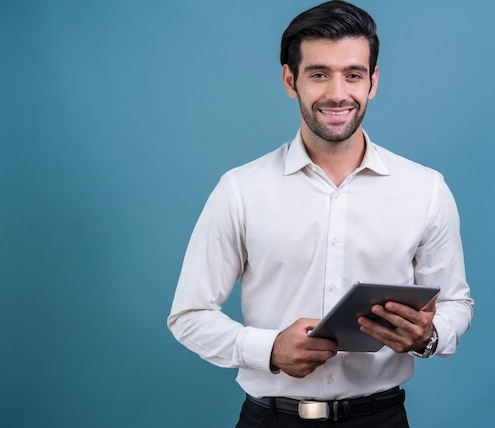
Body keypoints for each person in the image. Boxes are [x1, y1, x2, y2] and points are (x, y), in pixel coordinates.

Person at [168, 1, 473, 426]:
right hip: (270, 418)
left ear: (373, 81)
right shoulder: (240, 190)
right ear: (291, 81)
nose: (337, 93)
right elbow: (188, 316)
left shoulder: (426, 189)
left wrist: (428, 337)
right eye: (318, 74)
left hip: (381, 418)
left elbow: (456, 302)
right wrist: (269, 349)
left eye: (353, 74)